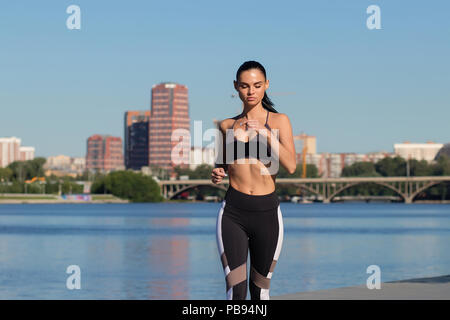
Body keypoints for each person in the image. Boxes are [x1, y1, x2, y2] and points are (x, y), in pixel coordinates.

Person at [211, 60, 296, 300]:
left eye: (257, 85)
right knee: (235, 290)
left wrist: (265, 133)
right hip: (233, 213)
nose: (251, 92)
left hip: (267, 212)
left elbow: (290, 165)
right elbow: (223, 166)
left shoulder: (279, 121)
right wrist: (217, 173)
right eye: (245, 86)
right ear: (236, 87)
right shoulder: (226, 125)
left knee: (259, 290)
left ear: (266, 85)